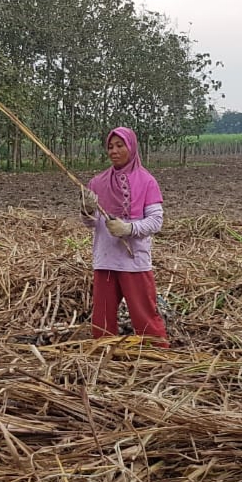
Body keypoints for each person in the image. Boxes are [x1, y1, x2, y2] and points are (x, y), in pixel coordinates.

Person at [80, 127, 168, 347]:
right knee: (103, 317)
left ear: (131, 147)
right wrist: (87, 210)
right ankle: (104, 352)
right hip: (105, 258)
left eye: (120, 146)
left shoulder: (147, 181)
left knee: (143, 313)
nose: (114, 151)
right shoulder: (97, 182)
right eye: (110, 147)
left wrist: (128, 229)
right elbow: (90, 223)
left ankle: (157, 351)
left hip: (134, 261)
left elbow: (156, 221)